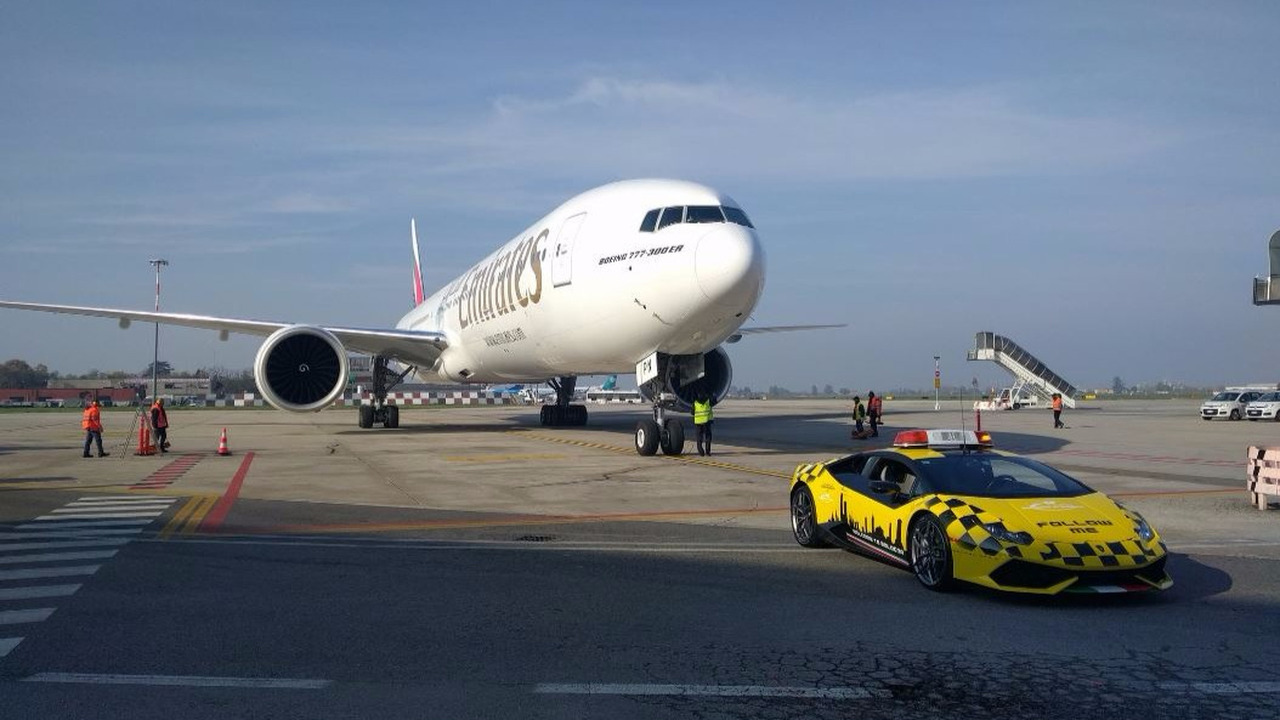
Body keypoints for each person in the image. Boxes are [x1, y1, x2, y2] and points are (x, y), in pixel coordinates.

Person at [692, 391, 714, 456]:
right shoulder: (708, 401)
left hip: (698, 423)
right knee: (708, 437)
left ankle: (701, 451)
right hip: (707, 422)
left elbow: (692, 412)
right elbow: (714, 401)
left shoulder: (695, 403)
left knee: (699, 437)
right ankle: (708, 451)